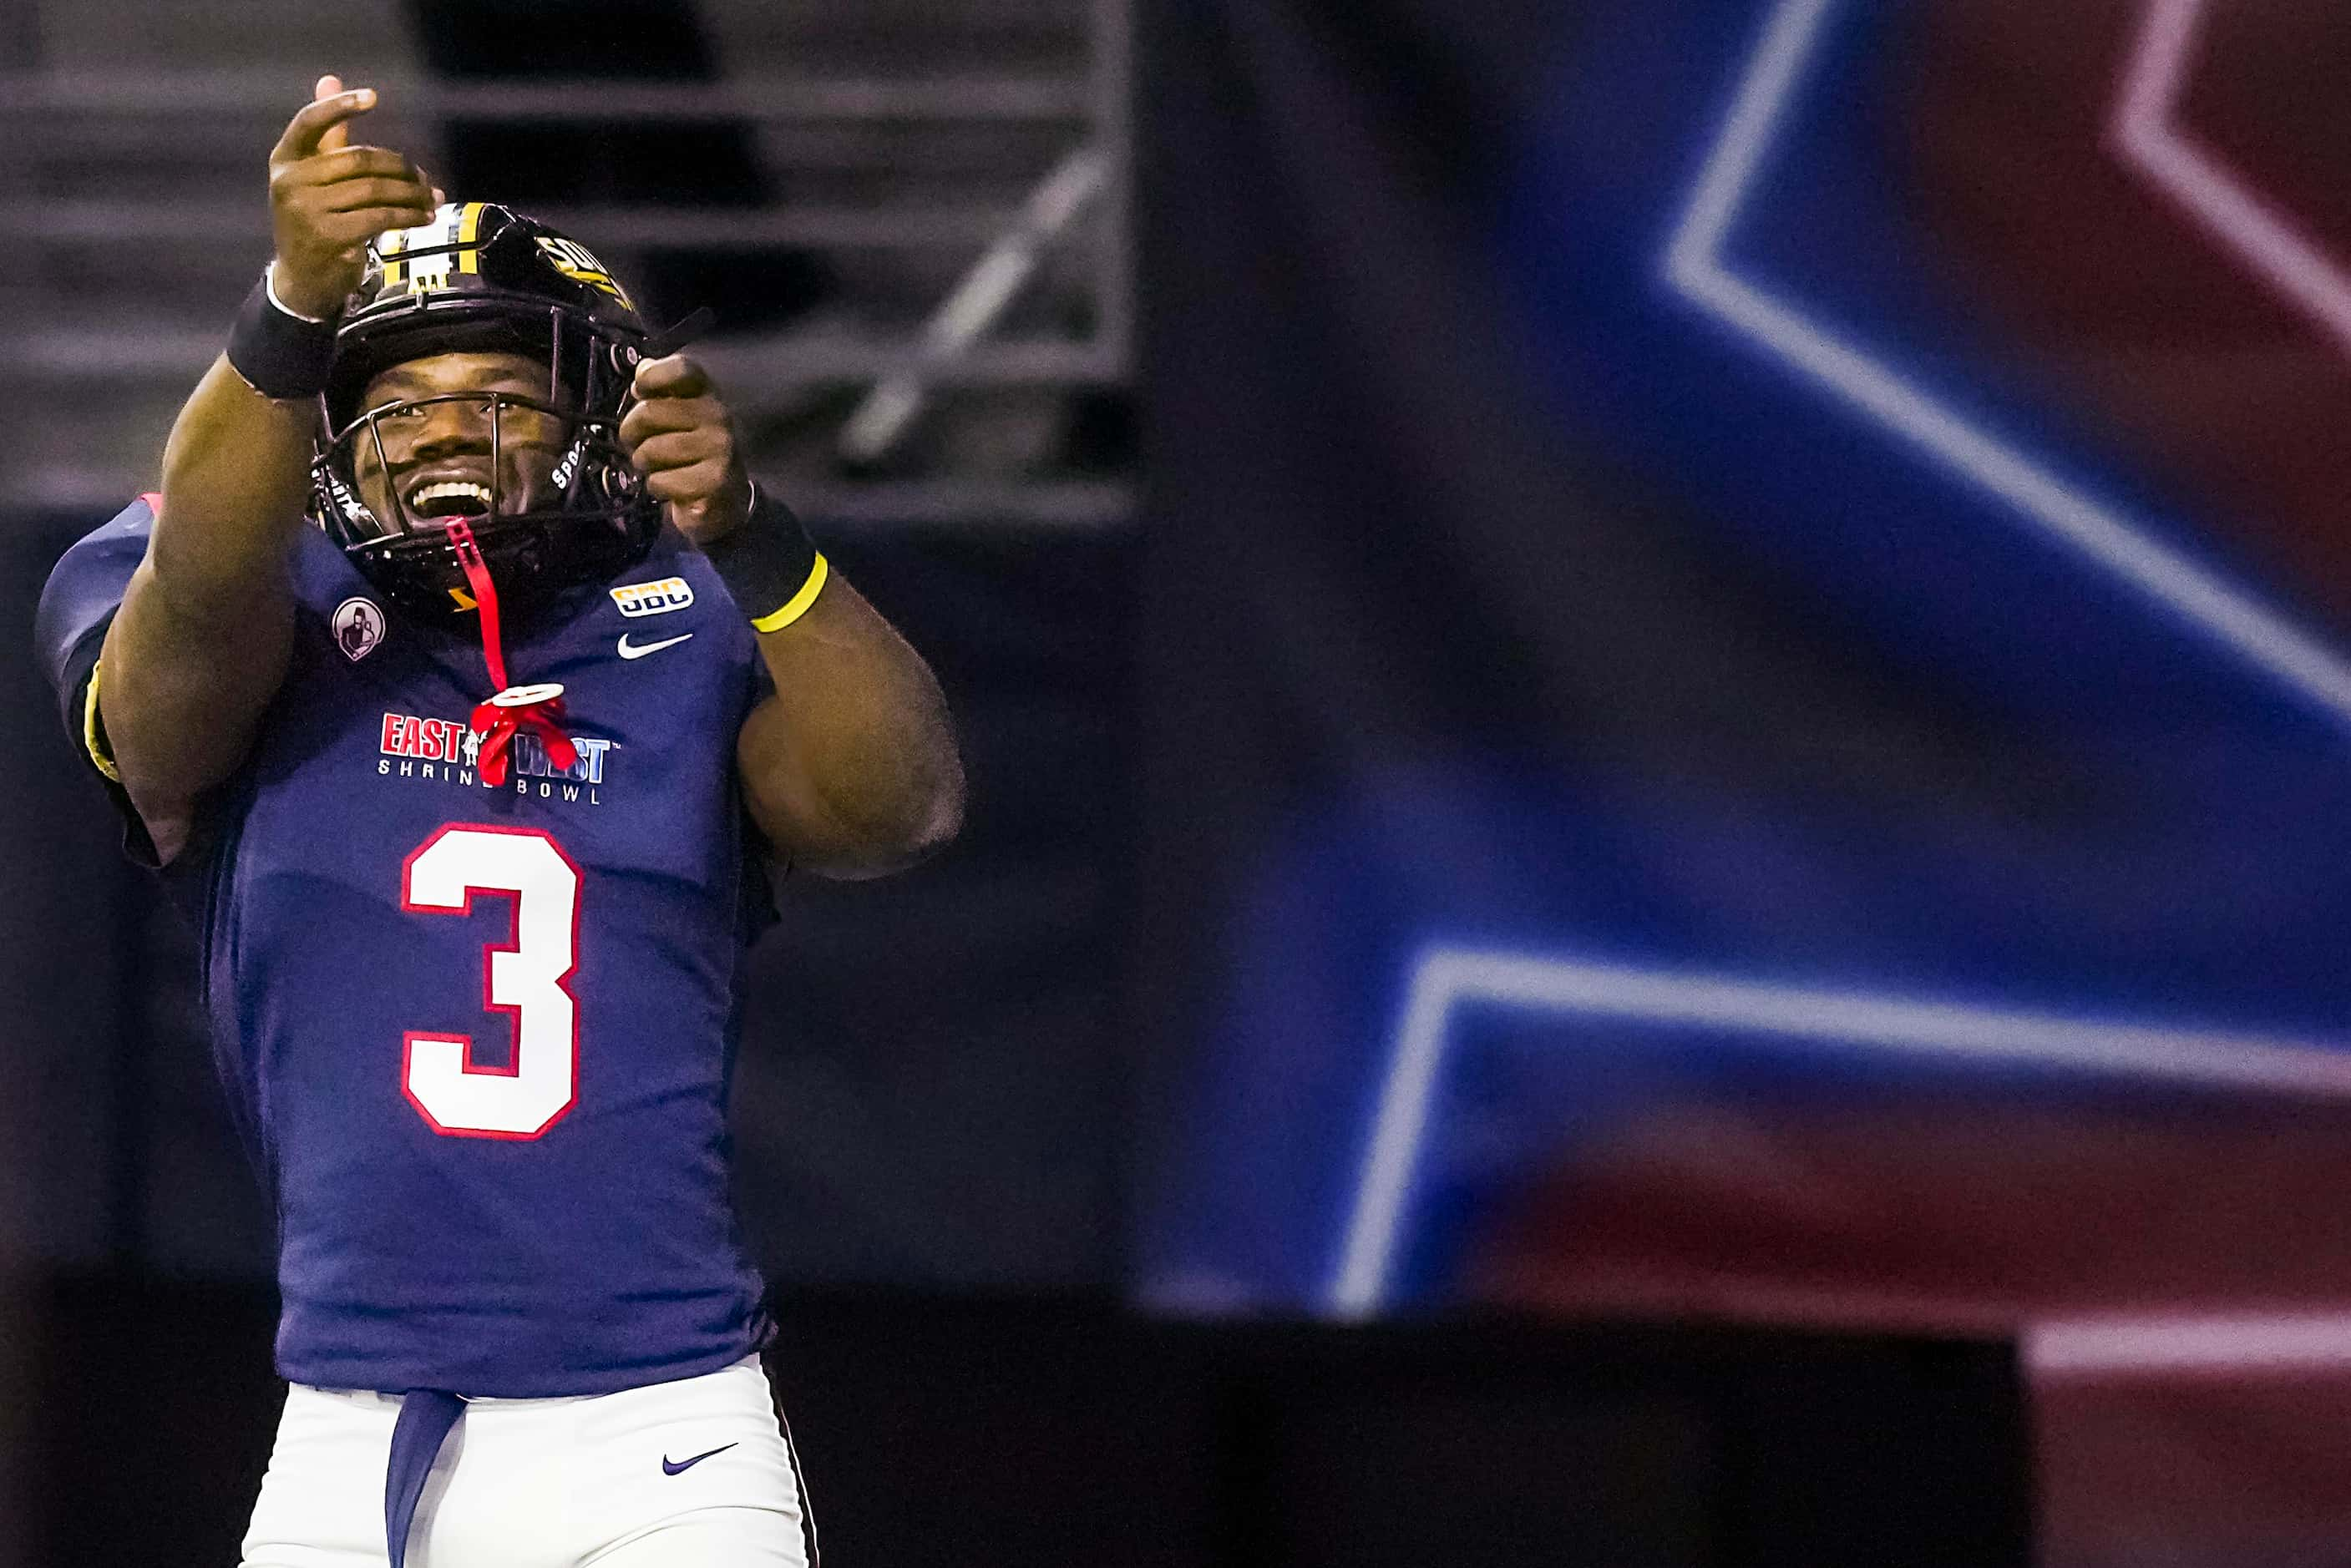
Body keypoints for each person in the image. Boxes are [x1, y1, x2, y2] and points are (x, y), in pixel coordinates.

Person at [33, 75, 964, 1567]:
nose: (441, 434)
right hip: (343, 1422)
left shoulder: (691, 619)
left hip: (654, 1423)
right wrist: (286, 308)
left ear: (601, 419)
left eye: (499, 396)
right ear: (320, 426)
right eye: (393, 401)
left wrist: (756, 539)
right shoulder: (217, 584)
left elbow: (900, 807)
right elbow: (185, 643)